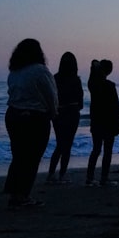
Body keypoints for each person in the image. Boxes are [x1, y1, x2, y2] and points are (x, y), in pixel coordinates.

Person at [4, 38, 58, 209]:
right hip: (34, 117)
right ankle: (23, 195)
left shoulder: (14, 72)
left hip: (13, 115)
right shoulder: (40, 70)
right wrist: (53, 113)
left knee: (19, 155)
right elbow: (51, 95)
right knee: (32, 158)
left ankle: (14, 193)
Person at [46, 51, 83, 184]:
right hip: (72, 113)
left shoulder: (55, 78)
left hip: (59, 114)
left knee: (60, 144)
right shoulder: (76, 79)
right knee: (67, 145)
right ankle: (62, 174)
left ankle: (51, 174)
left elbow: (51, 97)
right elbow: (81, 101)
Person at [86, 59, 119, 187]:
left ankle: (89, 177)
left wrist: (96, 67)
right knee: (107, 151)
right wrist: (117, 124)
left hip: (96, 121)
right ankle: (104, 178)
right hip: (109, 122)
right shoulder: (109, 86)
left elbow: (94, 62)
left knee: (96, 150)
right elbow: (115, 107)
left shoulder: (93, 84)